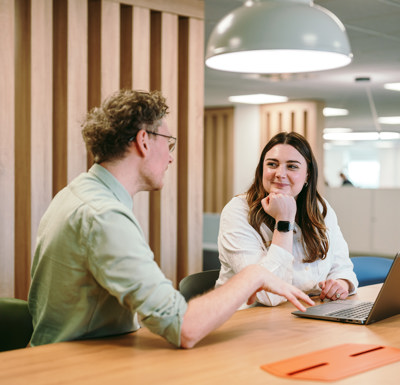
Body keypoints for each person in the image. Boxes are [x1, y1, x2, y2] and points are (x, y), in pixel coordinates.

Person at [28, 90, 314, 349]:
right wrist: (254, 276)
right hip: (73, 367)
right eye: (169, 143)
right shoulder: (104, 215)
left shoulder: (78, 192)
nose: (170, 158)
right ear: (143, 141)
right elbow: (183, 327)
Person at [216, 132, 358, 309]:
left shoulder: (320, 209)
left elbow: (343, 267)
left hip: (305, 314)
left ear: (307, 175)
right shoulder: (238, 211)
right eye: (272, 164)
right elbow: (268, 295)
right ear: (261, 170)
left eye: (292, 166)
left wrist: (341, 284)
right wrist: (284, 221)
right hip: (247, 321)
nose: (280, 173)